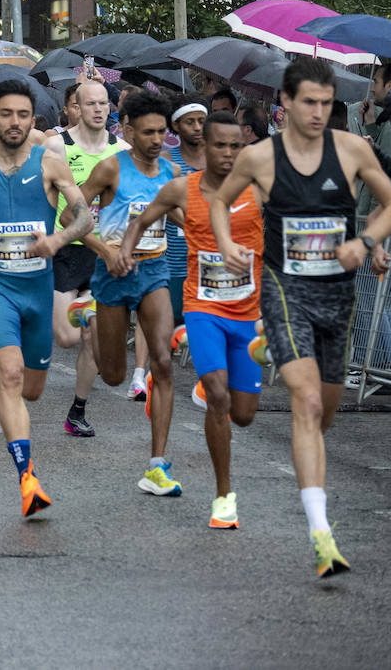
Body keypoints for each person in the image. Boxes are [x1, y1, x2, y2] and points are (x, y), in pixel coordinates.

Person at [211, 56, 391, 579]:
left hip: (337, 299)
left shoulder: (352, 150)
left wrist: (367, 241)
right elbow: (219, 204)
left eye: (326, 102)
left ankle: (265, 345)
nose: (319, 112)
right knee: (308, 400)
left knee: (326, 415)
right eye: (310, 103)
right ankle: (322, 534)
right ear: (286, 104)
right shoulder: (259, 159)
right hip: (283, 289)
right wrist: (227, 243)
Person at [0, 78, 94, 517]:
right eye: (6, 113)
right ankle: (27, 478)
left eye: (23, 115)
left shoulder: (51, 163)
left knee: (32, 390)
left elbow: (83, 216)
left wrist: (58, 238)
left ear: (33, 120)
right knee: (10, 377)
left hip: (38, 292)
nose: (14, 122)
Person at [120, 111, 263, 530]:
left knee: (244, 415)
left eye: (235, 146)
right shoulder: (183, 188)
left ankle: (212, 378)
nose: (227, 153)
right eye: (219, 145)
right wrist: (127, 250)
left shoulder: (258, 189)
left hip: (248, 316)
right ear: (205, 147)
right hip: (205, 309)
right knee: (218, 399)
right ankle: (223, 497)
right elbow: (141, 221)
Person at [77, 90, 182, 496]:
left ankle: (156, 464)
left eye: (162, 132)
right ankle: (88, 316)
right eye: (149, 132)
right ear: (128, 132)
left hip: (153, 270)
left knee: (163, 362)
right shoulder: (110, 169)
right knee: (114, 375)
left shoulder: (169, 171)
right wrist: (104, 250)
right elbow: (72, 214)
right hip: (112, 275)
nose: (157, 140)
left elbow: (174, 212)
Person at [52, 78, 124, 437]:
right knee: (65, 337)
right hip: (65, 249)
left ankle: (77, 411)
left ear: (111, 108)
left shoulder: (122, 151)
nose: (97, 110)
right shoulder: (58, 146)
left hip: (102, 255)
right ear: (76, 108)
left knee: (92, 338)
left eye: (103, 104)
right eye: (90, 104)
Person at [166, 96, 208, 323]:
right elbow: (164, 206)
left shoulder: (218, 161)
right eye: (190, 122)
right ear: (175, 125)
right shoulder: (167, 161)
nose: (197, 127)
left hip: (211, 259)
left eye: (202, 121)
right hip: (175, 260)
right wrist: (193, 225)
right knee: (173, 322)